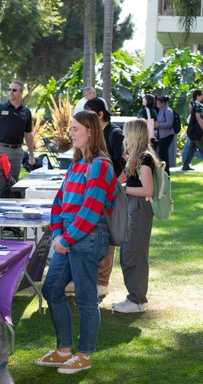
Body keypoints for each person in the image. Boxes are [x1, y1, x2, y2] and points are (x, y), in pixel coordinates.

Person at [35, 111, 117, 374]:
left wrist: (66, 238)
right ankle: (63, 351)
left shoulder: (101, 165)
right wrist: (59, 234)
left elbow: (91, 210)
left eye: (76, 128)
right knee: (51, 289)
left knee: (85, 298)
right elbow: (59, 202)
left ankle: (84, 355)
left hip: (89, 238)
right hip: (69, 237)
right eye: (71, 128)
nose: (71, 132)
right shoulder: (77, 163)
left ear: (91, 132)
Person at [113, 118, 158, 313]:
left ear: (134, 135)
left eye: (126, 133)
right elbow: (120, 179)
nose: (123, 136)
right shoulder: (135, 157)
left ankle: (137, 300)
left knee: (134, 253)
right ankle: (133, 296)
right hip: (132, 207)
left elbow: (148, 190)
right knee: (128, 252)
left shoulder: (143, 159)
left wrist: (124, 190)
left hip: (139, 208)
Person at [84, 97, 125, 299]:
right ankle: (92, 278)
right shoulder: (94, 134)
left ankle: (103, 282)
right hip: (95, 193)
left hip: (110, 195)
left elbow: (126, 165)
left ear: (100, 114)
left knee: (108, 237)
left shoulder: (115, 134)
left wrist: (113, 187)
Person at [0, 81, 35, 181]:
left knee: (13, 183)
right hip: (0, 149)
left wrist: (31, 154)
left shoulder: (26, 112)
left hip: (17, 152)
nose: (11, 92)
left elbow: (28, 134)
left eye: (14, 90)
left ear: (21, 92)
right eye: (9, 90)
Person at [155, 96, 175, 174]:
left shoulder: (168, 111)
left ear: (163, 103)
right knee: (161, 153)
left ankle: (166, 171)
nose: (157, 105)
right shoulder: (161, 110)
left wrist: (158, 125)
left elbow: (169, 123)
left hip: (167, 135)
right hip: (162, 135)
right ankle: (163, 170)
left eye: (159, 103)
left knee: (163, 153)